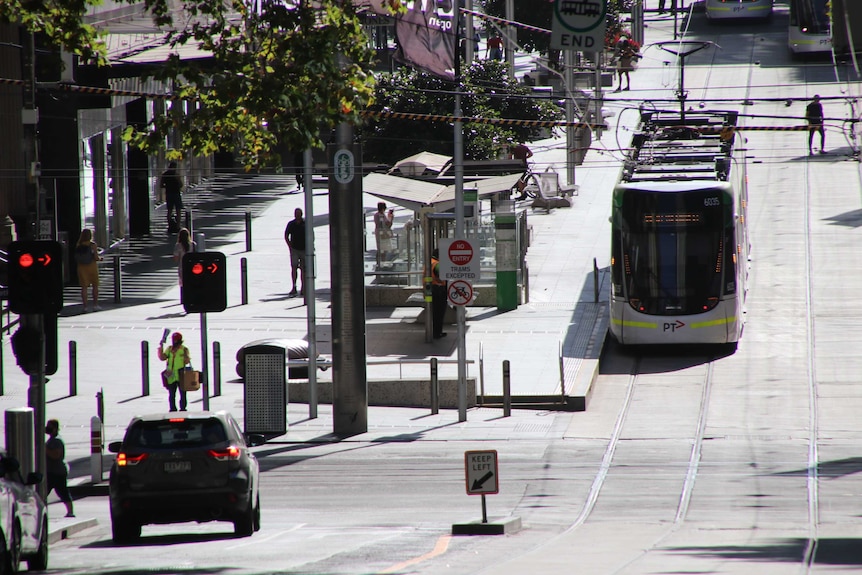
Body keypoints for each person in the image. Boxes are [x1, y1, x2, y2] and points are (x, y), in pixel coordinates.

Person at [45, 419, 74, 517]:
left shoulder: (56, 440)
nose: (47, 428)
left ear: (55, 428)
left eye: (49, 427)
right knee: (44, 492)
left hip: (57, 472)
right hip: (52, 471)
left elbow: (56, 455)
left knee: (62, 492)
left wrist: (45, 448)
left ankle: (70, 512)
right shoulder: (53, 439)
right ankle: (70, 511)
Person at [157, 331, 191, 411]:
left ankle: (183, 408)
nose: (174, 342)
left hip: (181, 374)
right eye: (173, 340)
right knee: (171, 394)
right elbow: (163, 358)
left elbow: (187, 361)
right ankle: (172, 408)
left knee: (183, 393)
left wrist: (186, 356)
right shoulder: (169, 349)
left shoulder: (184, 349)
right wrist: (160, 348)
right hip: (171, 375)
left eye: (175, 340)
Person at [75, 228, 102, 312]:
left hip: (81, 268)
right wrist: (100, 259)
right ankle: (95, 305)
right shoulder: (92, 245)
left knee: (84, 288)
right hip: (92, 267)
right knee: (95, 286)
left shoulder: (78, 245)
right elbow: (96, 257)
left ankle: (85, 307)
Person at [284, 207, 306, 298]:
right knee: (294, 268)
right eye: (295, 213)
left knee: (304, 269)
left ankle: (303, 287)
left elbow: (311, 235)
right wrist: (289, 246)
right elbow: (286, 235)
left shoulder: (305, 224)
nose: (297, 215)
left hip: (304, 249)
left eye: (298, 214)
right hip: (295, 249)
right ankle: (294, 286)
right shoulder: (291, 224)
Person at [160, 161, 184, 232]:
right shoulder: (176, 174)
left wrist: (167, 186)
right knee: (178, 210)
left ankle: (170, 225)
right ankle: (178, 226)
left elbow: (161, 185)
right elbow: (181, 185)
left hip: (169, 193)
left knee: (169, 210)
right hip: (176, 193)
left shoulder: (165, 175)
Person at [430, 249, 447, 339]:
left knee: (435, 313)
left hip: (431, 290)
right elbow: (440, 276)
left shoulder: (430, 262)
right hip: (438, 291)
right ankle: (437, 333)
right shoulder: (437, 264)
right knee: (439, 314)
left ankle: (436, 332)